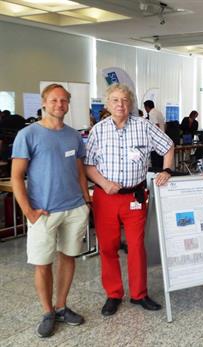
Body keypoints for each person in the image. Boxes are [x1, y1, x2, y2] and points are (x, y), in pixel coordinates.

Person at [84, 83, 175, 317]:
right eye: (115, 100)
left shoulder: (144, 127)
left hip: (135, 197)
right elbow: (88, 165)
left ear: (131, 103)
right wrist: (104, 184)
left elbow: (168, 146)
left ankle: (139, 294)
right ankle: (113, 294)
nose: (120, 105)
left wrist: (167, 171)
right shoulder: (98, 130)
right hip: (106, 197)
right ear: (107, 104)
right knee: (108, 247)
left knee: (136, 246)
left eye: (124, 100)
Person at [11, 84, 90, 338]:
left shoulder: (73, 135)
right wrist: (29, 213)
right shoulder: (28, 134)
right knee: (43, 263)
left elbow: (79, 168)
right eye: (54, 100)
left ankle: (61, 306)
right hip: (43, 213)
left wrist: (86, 200)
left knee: (68, 257)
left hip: (74, 208)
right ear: (44, 103)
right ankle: (47, 312)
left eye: (64, 100)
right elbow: (16, 177)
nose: (60, 105)